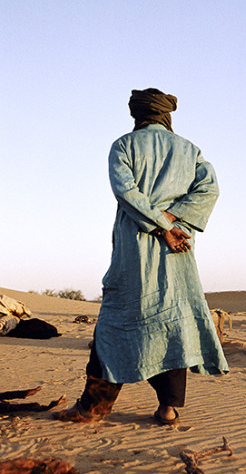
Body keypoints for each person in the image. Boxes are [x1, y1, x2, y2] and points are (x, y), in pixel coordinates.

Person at [54, 88, 228, 425]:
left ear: (137, 115)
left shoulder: (123, 146)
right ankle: (168, 408)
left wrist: (160, 223)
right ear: (165, 115)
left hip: (135, 248)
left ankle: (93, 407)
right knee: (172, 321)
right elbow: (210, 189)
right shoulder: (189, 150)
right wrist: (172, 220)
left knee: (113, 324)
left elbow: (126, 193)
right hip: (177, 247)